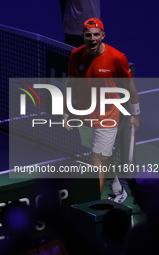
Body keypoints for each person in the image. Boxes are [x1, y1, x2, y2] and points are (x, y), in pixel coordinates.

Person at [63, 18, 140, 203]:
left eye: (96, 34)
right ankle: (117, 188)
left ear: (103, 36)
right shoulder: (76, 55)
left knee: (96, 161)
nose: (92, 38)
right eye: (88, 35)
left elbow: (129, 86)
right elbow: (71, 83)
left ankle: (92, 204)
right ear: (83, 36)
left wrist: (135, 114)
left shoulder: (116, 58)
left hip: (108, 116)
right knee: (103, 156)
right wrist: (66, 110)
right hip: (85, 115)